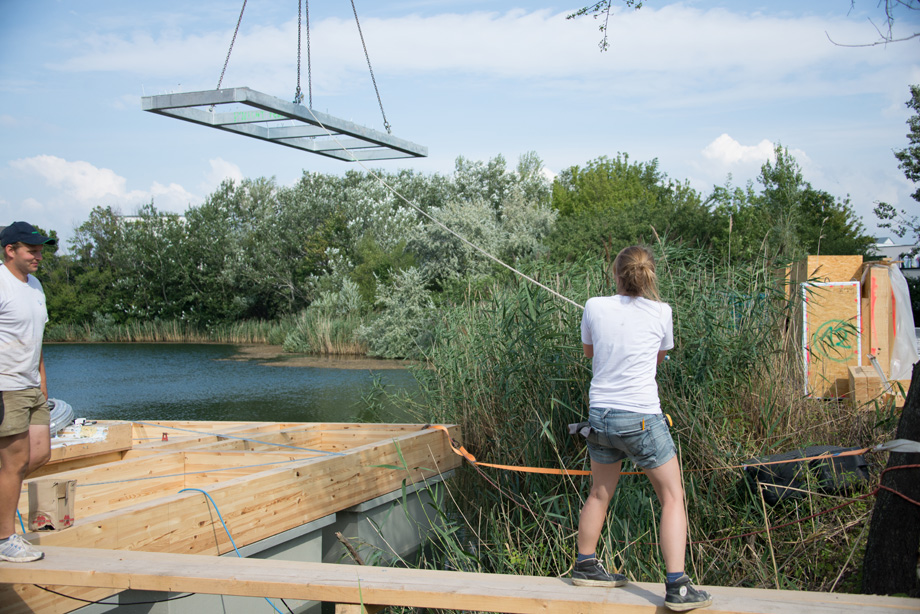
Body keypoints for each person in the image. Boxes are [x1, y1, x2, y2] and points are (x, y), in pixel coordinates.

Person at [571, 245, 712, 612]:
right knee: (672, 497)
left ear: (615, 274)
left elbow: (589, 352)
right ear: (649, 277)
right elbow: (657, 359)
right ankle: (678, 586)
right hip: (642, 418)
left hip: (600, 416)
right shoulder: (662, 312)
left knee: (599, 493)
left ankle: (585, 563)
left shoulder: (593, 305)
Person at [0, 221, 56, 563]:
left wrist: (43, 385)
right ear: (10, 250)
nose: (38, 256)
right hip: (5, 386)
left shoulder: (34, 286)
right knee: (15, 462)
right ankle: (5, 539)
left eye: (39, 251)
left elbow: (37, 341)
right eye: (31, 250)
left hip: (31, 386)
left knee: (40, 454)